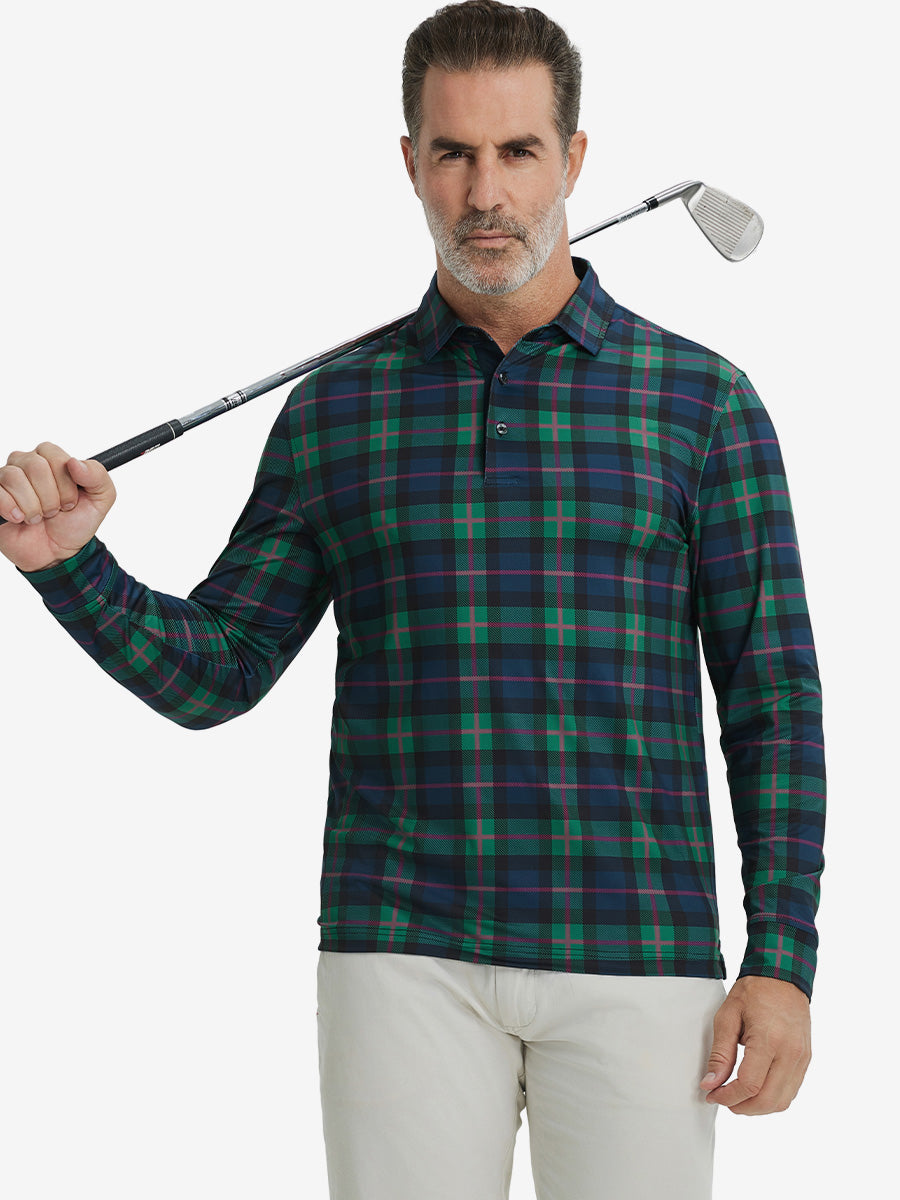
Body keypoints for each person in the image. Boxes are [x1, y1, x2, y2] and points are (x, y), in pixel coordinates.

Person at [0, 2, 824, 1197]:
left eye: (518, 151)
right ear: (411, 163)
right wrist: (69, 565)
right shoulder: (337, 412)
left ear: (573, 159)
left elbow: (773, 701)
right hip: (400, 952)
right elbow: (220, 671)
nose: (485, 193)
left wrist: (783, 960)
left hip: (640, 951)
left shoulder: (700, 404)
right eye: (453, 154)